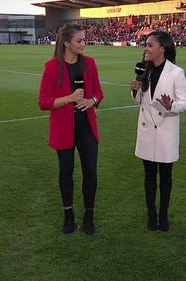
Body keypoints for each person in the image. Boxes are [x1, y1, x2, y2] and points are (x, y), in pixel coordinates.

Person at [38, 24, 104, 235]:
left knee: (90, 171)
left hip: (86, 126)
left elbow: (99, 93)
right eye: (79, 41)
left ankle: (89, 215)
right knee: (66, 171)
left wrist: (90, 101)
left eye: (84, 40)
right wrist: (69, 99)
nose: (83, 44)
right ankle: (69, 215)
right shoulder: (52, 67)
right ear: (66, 43)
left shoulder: (90, 64)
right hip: (64, 128)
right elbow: (43, 101)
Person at [130, 31, 186, 232]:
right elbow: (139, 101)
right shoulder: (143, 71)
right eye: (145, 45)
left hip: (166, 131)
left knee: (165, 176)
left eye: (149, 45)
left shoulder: (176, 73)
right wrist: (134, 90)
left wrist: (171, 105)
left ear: (162, 49)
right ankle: (151, 215)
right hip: (147, 131)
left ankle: (163, 216)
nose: (145, 49)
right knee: (148, 176)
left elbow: (185, 104)